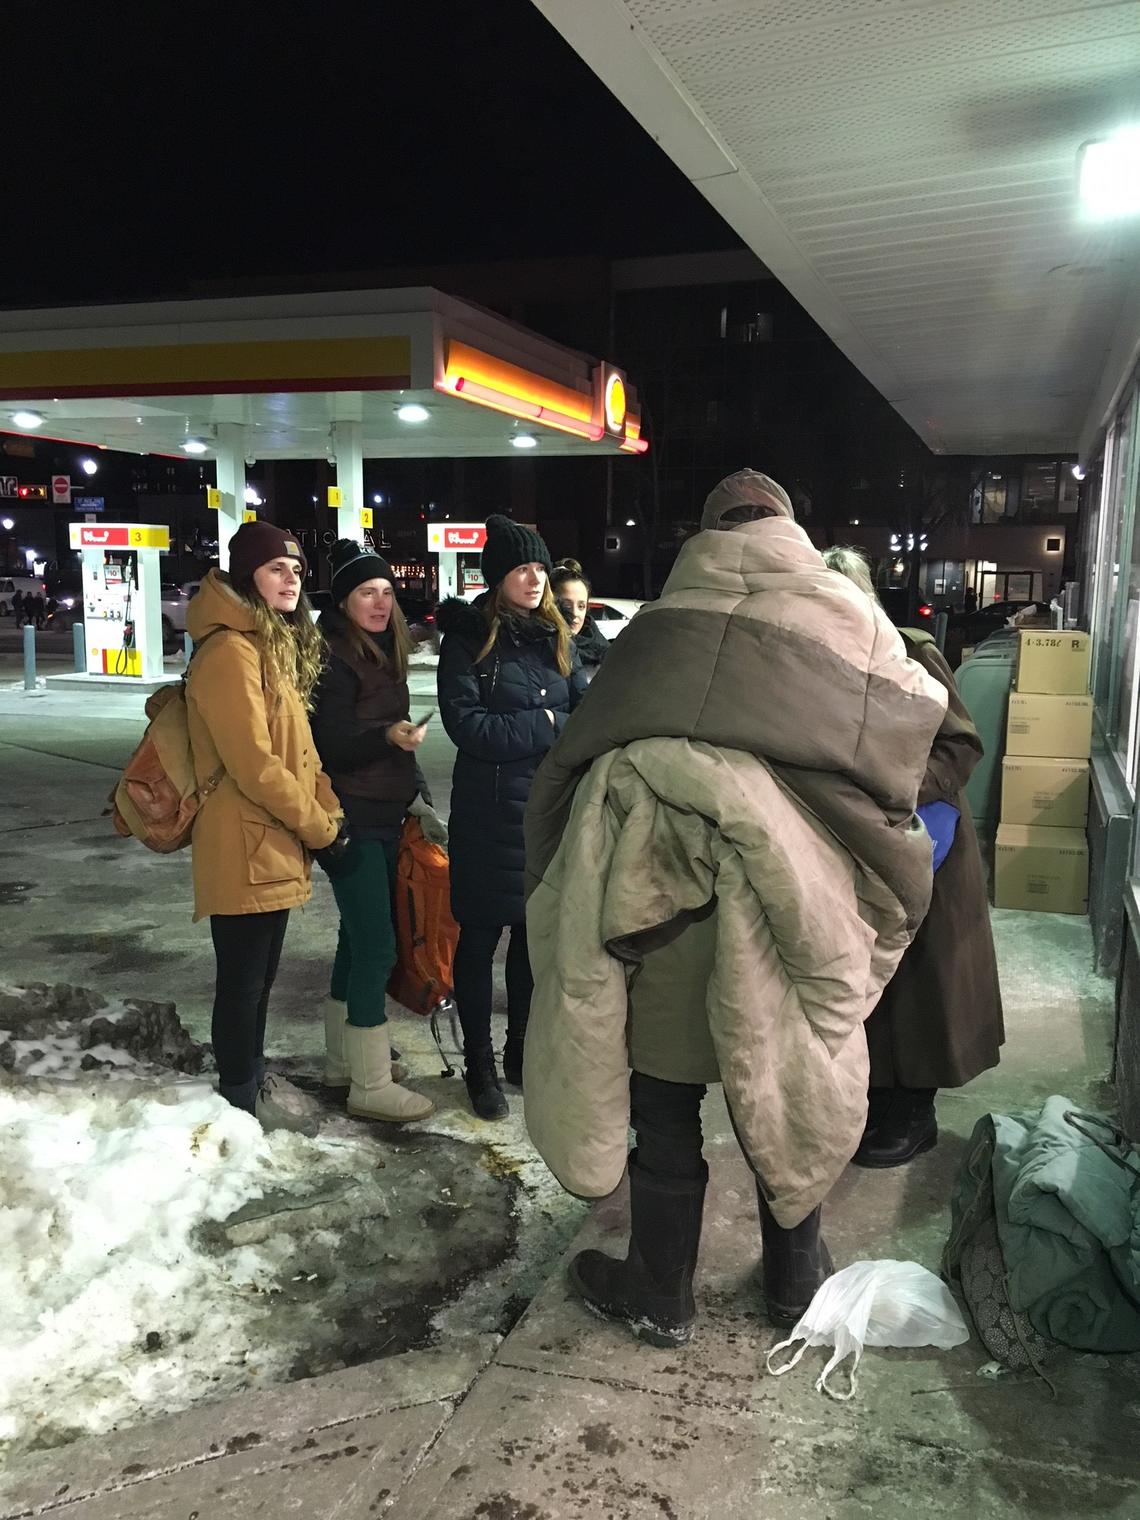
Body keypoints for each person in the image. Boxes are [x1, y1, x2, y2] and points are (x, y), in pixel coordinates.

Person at [523, 469, 949, 1346]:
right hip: (797, 903)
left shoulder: (659, 625)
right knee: (787, 1078)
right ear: (789, 527)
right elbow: (920, 714)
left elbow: (574, 755)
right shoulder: (847, 611)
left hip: (661, 904)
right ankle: (795, 1282)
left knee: (665, 1094)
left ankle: (659, 1288)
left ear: (706, 534)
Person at [822, 547, 1004, 1166]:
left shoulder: (911, 651)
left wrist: (893, 791)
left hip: (925, 839)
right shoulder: (815, 662)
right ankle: (876, 1101)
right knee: (871, 981)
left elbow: (961, 745)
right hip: (859, 844)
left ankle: (915, 1112)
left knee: (922, 983)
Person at [185, 521, 342, 1129]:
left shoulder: (266, 645)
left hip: (269, 838)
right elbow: (254, 764)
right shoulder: (230, 650)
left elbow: (302, 751)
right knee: (244, 981)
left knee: (260, 978)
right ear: (247, 574)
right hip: (242, 839)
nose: (291, 580)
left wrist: (328, 811)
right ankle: (237, 1098)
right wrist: (322, 829)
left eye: (297, 570)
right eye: (277, 569)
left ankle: (246, 1088)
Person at [436, 515, 587, 1121]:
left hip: (544, 815)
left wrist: (561, 729)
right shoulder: (469, 639)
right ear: (496, 576)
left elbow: (585, 710)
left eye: (539, 568)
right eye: (522, 568)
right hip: (487, 815)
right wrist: (547, 728)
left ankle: (521, 1051)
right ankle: (480, 1067)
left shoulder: (557, 637)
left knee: (530, 941)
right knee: (478, 942)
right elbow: (468, 728)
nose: (534, 578)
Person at [310, 538, 444, 1124]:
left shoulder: (381, 653)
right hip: (351, 820)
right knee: (378, 944)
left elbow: (391, 731)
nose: (380, 601)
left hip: (385, 814)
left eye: (388, 591)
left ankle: (345, 1062)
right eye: (368, 592)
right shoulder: (334, 659)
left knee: (356, 939)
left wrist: (415, 792)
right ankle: (370, 1084)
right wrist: (386, 738)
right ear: (343, 601)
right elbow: (328, 743)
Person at [550, 558, 609, 679]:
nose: (575, 613)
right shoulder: (540, 650)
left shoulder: (604, 652)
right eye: (566, 605)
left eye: (581, 606)